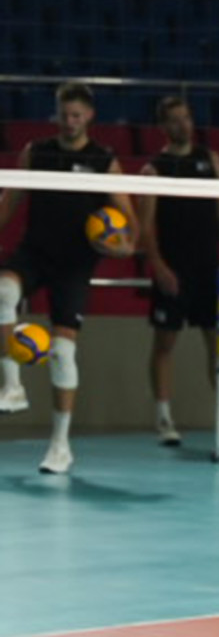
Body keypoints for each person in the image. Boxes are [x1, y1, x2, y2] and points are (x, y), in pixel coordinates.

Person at [0, 81, 139, 475]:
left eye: (77, 115)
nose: (70, 121)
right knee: (2, 290)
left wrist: (125, 247)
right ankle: (12, 386)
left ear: (89, 116)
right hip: (34, 252)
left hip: (75, 264)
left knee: (62, 353)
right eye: (64, 114)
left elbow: (129, 222)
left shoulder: (103, 160)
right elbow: (9, 202)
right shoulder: (37, 151)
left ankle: (60, 446)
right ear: (57, 112)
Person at [138, 96, 219, 448]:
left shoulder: (211, 160)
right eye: (174, 120)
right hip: (173, 269)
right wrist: (159, 267)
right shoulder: (155, 168)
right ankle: (164, 418)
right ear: (163, 126)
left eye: (186, 118)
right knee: (165, 343)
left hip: (209, 268)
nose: (183, 125)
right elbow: (145, 227)